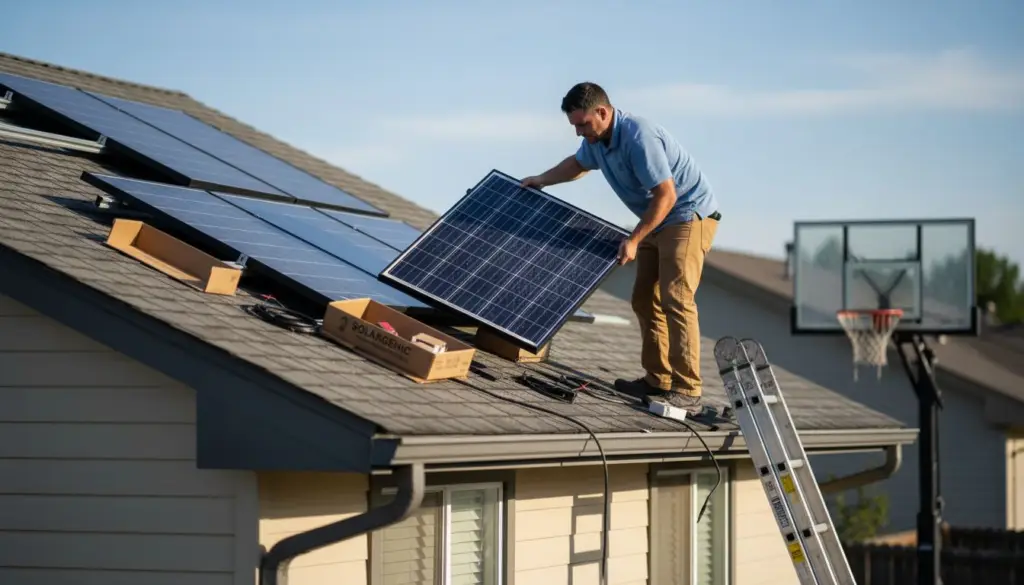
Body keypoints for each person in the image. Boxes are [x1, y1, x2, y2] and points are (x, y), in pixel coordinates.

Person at [521, 82, 721, 416]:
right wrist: (541, 179)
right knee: (643, 298)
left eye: (583, 124)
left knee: (676, 297)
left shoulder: (639, 137)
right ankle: (658, 380)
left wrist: (635, 239)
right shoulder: (596, 141)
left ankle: (688, 390)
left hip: (688, 215)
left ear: (603, 112)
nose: (579, 132)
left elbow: (667, 195)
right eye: (574, 126)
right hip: (658, 218)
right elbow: (576, 165)